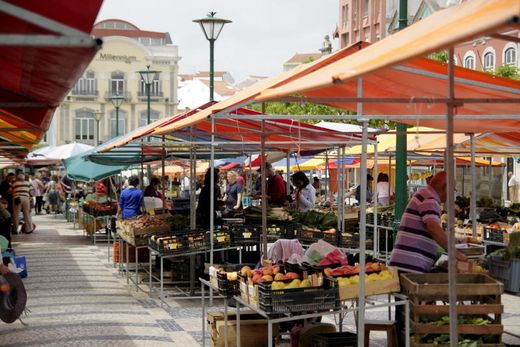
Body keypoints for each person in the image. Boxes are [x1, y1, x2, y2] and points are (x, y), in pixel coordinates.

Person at [389, 171, 467, 273]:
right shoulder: (430, 199)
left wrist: (458, 241)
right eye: (452, 190)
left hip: (405, 265)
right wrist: (455, 252)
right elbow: (433, 228)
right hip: (410, 267)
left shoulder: (424, 194)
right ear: (445, 188)